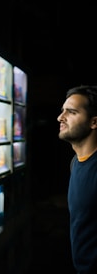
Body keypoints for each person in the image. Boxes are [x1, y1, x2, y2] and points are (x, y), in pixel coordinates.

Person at [57, 85, 97, 273]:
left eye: (71, 112)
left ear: (94, 122)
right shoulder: (76, 162)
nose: (60, 117)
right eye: (62, 110)